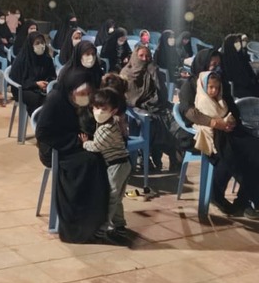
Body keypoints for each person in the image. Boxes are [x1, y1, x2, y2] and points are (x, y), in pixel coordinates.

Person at [179, 49, 259, 220]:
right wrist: (215, 123)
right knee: (232, 155)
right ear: (202, 63)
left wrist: (232, 121)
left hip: (230, 130)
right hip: (207, 134)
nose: (216, 67)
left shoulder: (220, 81)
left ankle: (247, 200)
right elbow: (189, 111)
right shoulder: (190, 85)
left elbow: (232, 107)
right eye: (212, 64)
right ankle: (217, 196)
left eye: (218, 64)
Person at [35, 65, 112, 244]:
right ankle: (76, 226)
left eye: (88, 92)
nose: (86, 96)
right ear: (71, 89)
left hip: (75, 143)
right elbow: (43, 133)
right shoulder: (56, 99)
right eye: (82, 92)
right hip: (55, 148)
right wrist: (75, 141)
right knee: (88, 163)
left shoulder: (80, 101)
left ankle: (95, 221)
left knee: (99, 160)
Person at [80, 87, 131, 240]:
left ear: (113, 111)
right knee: (117, 198)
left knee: (111, 198)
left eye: (103, 109)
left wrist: (85, 143)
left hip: (117, 166)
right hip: (121, 165)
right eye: (96, 108)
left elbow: (97, 146)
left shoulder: (107, 129)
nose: (99, 112)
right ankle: (120, 225)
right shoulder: (108, 123)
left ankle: (103, 228)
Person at [121, 45, 179, 172]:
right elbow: (129, 99)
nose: (144, 59)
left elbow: (163, 96)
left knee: (174, 121)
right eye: (141, 56)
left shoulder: (152, 70)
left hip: (156, 106)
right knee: (153, 122)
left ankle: (175, 159)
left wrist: (155, 74)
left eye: (147, 56)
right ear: (134, 56)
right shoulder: (126, 73)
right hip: (136, 111)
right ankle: (144, 158)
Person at [10, 31, 56, 116]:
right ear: (30, 45)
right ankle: (38, 121)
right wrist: (35, 84)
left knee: (56, 96)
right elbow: (17, 80)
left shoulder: (47, 58)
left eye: (42, 42)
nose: (41, 45)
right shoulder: (22, 59)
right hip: (23, 89)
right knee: (36, 98)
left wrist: (47, 84)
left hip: (42, 89)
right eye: (37, 43)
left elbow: (52, 75)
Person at [193, 71, 236, 156]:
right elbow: (213, 118)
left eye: (217, 88)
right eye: (211, 87)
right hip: (217, 135)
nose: (214, 90)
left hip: (225, 132)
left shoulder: (218, 100)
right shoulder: (203, 101)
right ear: (204, 85)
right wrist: (224, 124)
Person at [222, 33, 259, 101]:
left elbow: (248, 70)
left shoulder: (241, 56)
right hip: (236, 88)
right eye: (236, 42)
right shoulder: (224, 59)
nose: (238, 44)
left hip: (247, 85)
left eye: (238, 41)